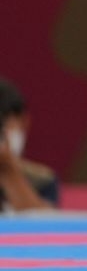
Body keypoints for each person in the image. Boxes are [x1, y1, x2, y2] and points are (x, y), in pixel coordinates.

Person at [0, 78, 58, 212]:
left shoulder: (42, 180)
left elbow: (46, 228)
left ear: (24, 121)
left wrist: (9, 172)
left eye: (2, 127)